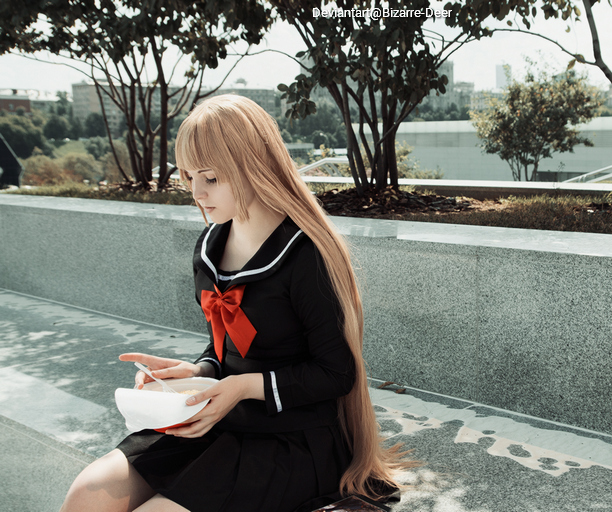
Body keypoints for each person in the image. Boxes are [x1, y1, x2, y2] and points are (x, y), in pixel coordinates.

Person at [60, 94, 406, 512]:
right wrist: (196, 371)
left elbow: (336, 374)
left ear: (253, 166)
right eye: (188, 177)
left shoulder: (305, 254)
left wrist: (243, 387)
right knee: (86, 495)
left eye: (210, 177)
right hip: (220, 422)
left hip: (292, 438)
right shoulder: (209, 245)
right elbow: (226, 349)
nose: (196, 192)